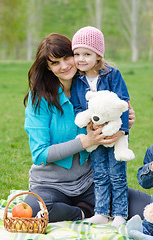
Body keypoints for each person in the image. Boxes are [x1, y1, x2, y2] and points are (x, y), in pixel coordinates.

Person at [23, 32, 150, 223]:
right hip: (51, 185)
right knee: (34, 210)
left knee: (148, 208)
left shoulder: (91, 86)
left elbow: (111, 113)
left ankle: (92, 206)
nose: (64, 66)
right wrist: (86, 141)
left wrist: (123, 123)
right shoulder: (39, 99)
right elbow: (40, 154)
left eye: (67, 57)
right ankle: (83, 213)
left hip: (92, 183)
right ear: (48, 68)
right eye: (55, 63)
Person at [71, 26, 134, 227]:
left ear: (98, 55)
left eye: (87, 54)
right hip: (95, 133)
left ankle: (119, 214)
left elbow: (123, 102)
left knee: (116, 173)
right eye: (77, 54)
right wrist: (88, 128)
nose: (81, 59)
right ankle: (101, 212)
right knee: (99, 173)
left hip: (116, 132)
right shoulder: (78, 80)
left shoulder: (112, 75)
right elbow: (78, 107)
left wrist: (122, 131)